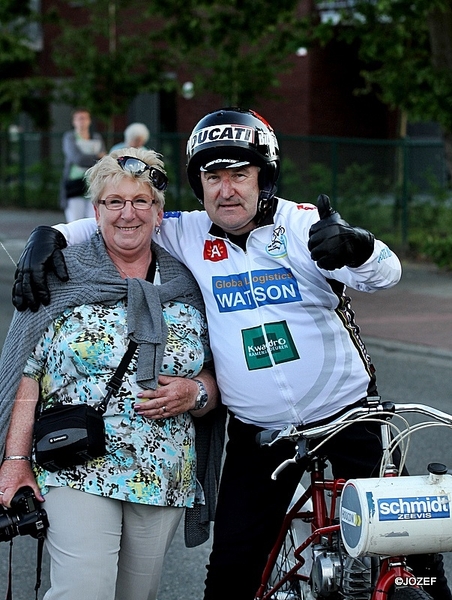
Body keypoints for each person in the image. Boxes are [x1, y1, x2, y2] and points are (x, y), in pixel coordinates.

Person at [11, 108, 451, 600]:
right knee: (231, 575)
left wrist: (359, 247)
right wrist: (47, 236)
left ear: (264, 178)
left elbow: (384, 274)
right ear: (199, 185)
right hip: (260, 433)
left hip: (346, 416)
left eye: (240, 175)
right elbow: (121, 217)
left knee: (413, 551)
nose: (226, 190)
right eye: (212, 177)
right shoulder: (187, 231)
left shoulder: (303, 225)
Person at [0, 147, 220, 600]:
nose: (128, 214)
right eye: (114, 202)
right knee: (83, 590)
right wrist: (15, 461)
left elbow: (219, 375)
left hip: (162, 470)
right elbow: (26, 373)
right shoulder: (61, 273)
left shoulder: (189, 281)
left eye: (141, 202)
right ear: (96, 210)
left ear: (159, 213)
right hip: (75, 462)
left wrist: (195, 392)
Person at [61, 107, 106, 222]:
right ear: (74, 122)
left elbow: (104, 160)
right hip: (75, 184)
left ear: (89, 120)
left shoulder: (96, 137)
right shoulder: (70, 138)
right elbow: (77, 158)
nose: (82, 122)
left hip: (92, 183)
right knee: (75, 221)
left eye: (85, 118)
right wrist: (96, 157)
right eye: (79, 119)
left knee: (93, 220)